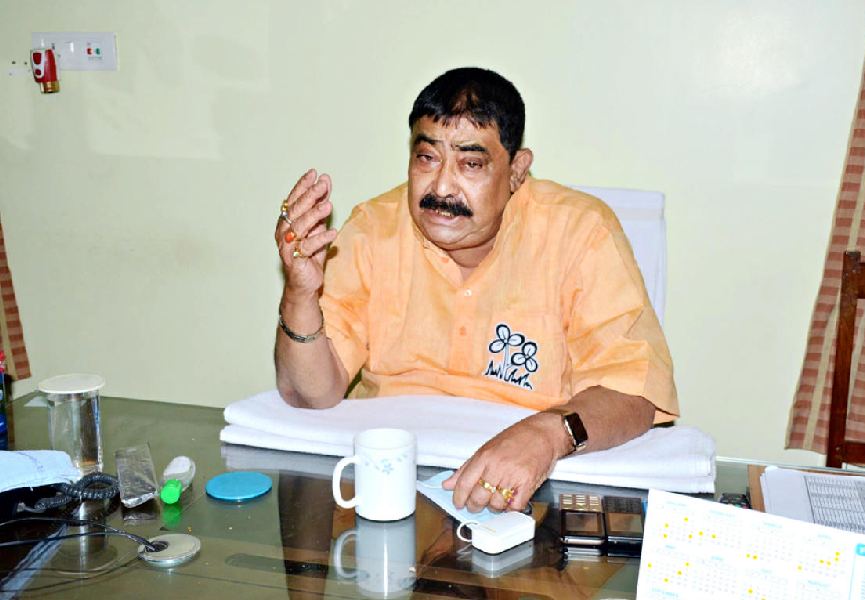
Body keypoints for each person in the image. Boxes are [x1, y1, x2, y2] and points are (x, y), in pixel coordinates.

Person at [274, 67, 678, 514]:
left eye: (471, 163)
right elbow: (308, 395)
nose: (442, 186)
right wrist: (299, 293)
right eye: (427, 158)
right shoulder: (373, 227)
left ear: (517, 170)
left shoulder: (581, 232)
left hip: (530, 486)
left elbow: (635, 394)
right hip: (390, 483)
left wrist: (547, 435)